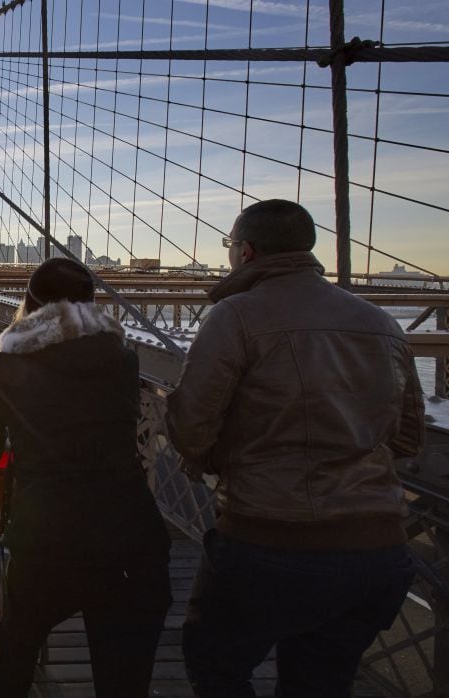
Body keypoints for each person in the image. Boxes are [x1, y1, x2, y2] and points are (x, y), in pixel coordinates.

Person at [165, 199, 426, 697]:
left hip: (271, 541)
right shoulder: (382, 322)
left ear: (245, 252)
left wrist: (225, 461)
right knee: (322, 684)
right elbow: (409, 437)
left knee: (216, 665)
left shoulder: (234, 317)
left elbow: (191, 429)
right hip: (378, 551)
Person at [0, 256, 172, 697]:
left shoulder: (12, 361)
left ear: (31, 306)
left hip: (48, 535)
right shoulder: (123, 359)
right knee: (121, 673)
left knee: (19, 638)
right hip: (129, 535)